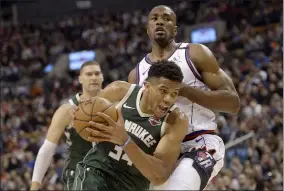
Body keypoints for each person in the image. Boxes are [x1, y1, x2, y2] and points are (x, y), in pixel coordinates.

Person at [128, 5, 240, 191]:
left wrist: (185, 90)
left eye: (166, 18)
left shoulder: (195, 53)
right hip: (162, 153)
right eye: (154, 18)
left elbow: (233, 103)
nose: (160, 21)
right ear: (147, 29)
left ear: (175, 28)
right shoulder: (136, 74)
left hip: (199, 143)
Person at [72, 60, 188, 191]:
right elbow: (88, 113)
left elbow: (159, 176)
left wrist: (125, 141)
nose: (168, 99)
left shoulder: (176, 120)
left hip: (133, 185)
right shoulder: (120, 91)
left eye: (174, 94)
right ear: (147, 86)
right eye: (163, 91)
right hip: (97, 171)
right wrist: (79, 115)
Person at [30, 61, 104, 191]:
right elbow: (47, 149)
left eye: (97, 73)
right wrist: (34, 186)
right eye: (89, 74)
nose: (93, 77)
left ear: (102, 77)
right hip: (79, 173)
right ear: (80, 79)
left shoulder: (116, 103)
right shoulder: (67, 110)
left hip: (110, 173)